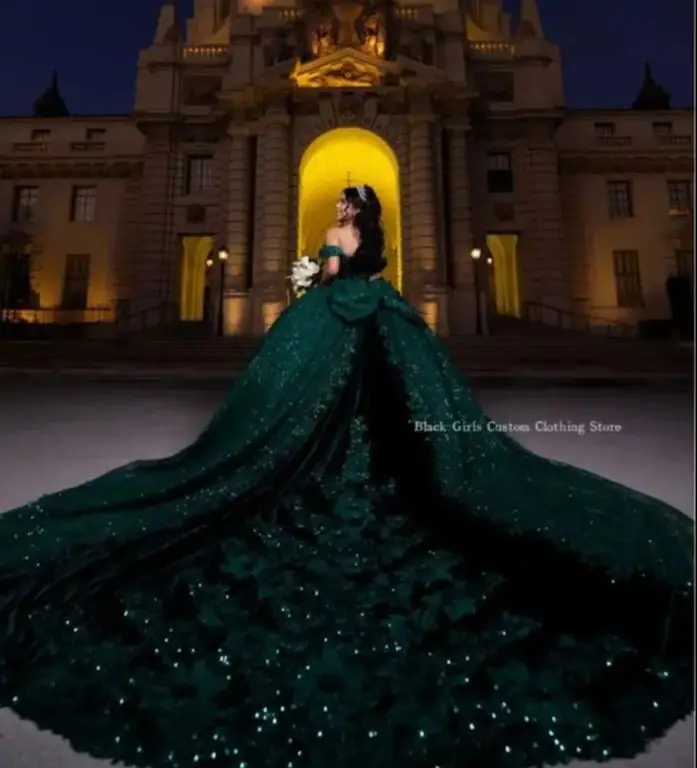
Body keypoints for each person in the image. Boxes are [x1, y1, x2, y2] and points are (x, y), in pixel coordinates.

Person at [0, 184, 693, 768]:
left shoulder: (334, 236)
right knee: (382, 399)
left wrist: (312, 276)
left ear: (347, 213)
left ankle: (320, 460)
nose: (336, 206)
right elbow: (363, 276)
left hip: (332, 317)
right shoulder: (382, 257)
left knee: (301, 402)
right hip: (378, 316)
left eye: (340, 202)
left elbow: (331, 279)